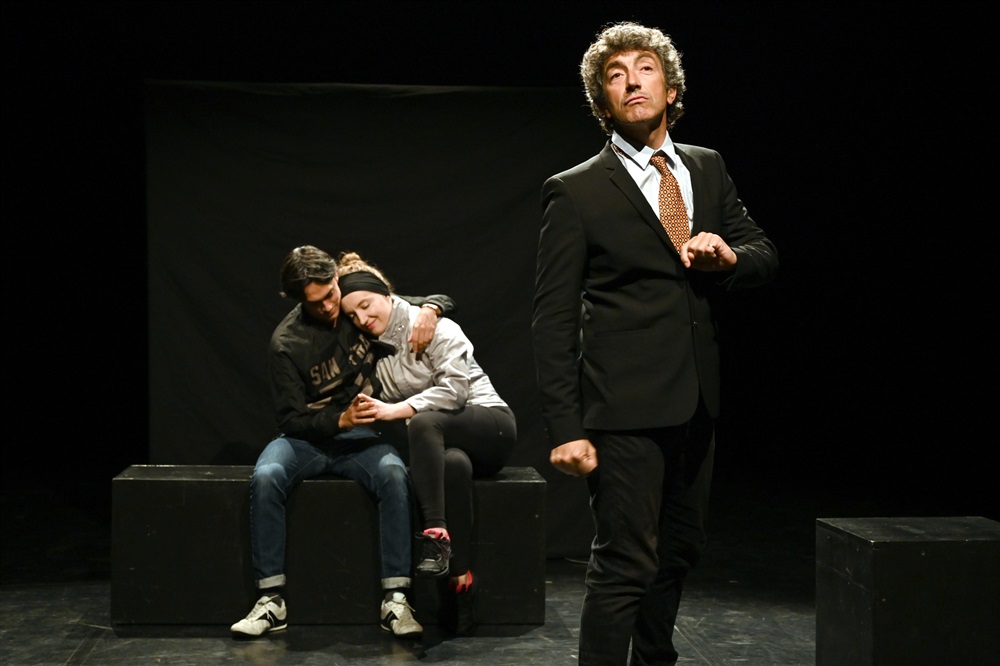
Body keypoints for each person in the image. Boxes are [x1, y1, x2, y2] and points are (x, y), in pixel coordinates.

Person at [531, 22, 779, 666]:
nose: (632, 82)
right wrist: (566, 427)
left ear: (671, 88)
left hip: (696, 400)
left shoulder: (706, 166)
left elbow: (762, 251)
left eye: (645, 69)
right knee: (625, 562)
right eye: (615, 76)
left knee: (679, 550)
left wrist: (729, 257)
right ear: (603, 102)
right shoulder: (576, 189)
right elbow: (552, 318)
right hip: (622, 409)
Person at [230, 245, 455, 639]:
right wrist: (339, 419)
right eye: (315, 303)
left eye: (331, 295)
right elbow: (291, 420)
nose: (329, 308)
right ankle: (271, 601)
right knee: (266, 476)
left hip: (359, 439)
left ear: (336, 279)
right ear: (299, 300)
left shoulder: (355, 304)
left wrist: (431, 310)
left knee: (393, 475)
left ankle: (396, 599)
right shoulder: (286, 343)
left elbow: (426, 300)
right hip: (305, 440)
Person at [335, 251, 517, 636]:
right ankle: (460, 582)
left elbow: (454, 392)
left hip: (492, 426)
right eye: (353, 315)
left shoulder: (435, 326)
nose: (362, 319)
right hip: (448, 443)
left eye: (366, 305)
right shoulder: (372, 351)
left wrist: (395, 410)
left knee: (422, 420)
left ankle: (434, 534)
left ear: (386, 294)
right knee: (453, 465)